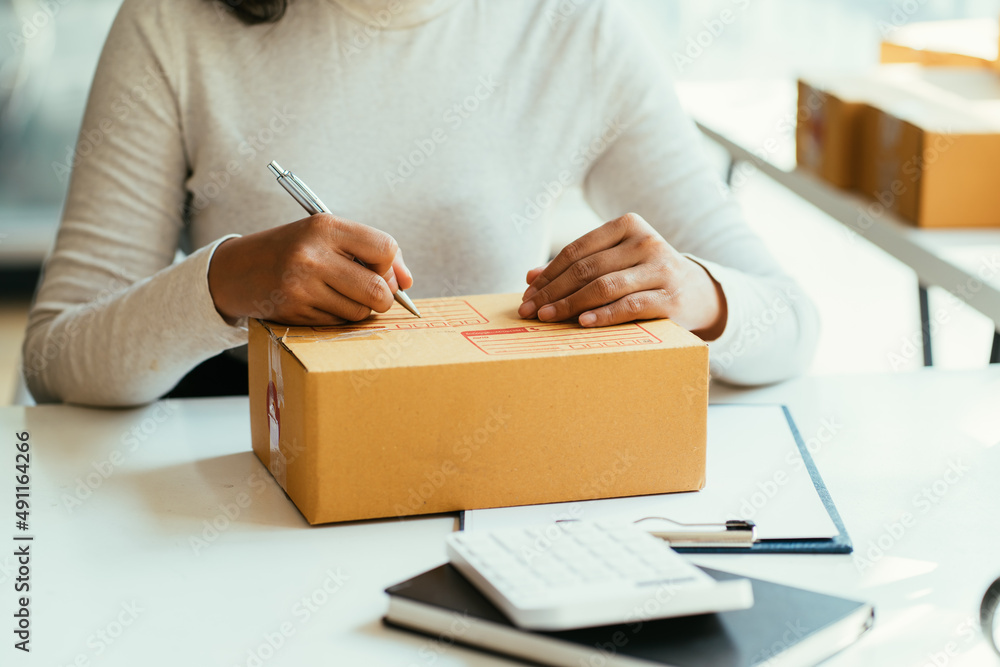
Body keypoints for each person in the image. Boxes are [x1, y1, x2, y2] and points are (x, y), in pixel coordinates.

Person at [23, 0, 819, 407]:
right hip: (250, 458)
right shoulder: (172, 24)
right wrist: (223, 284)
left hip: (497, 462)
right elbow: (56, 360)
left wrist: (698, 296)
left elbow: (789, 320)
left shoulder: (574, 25)